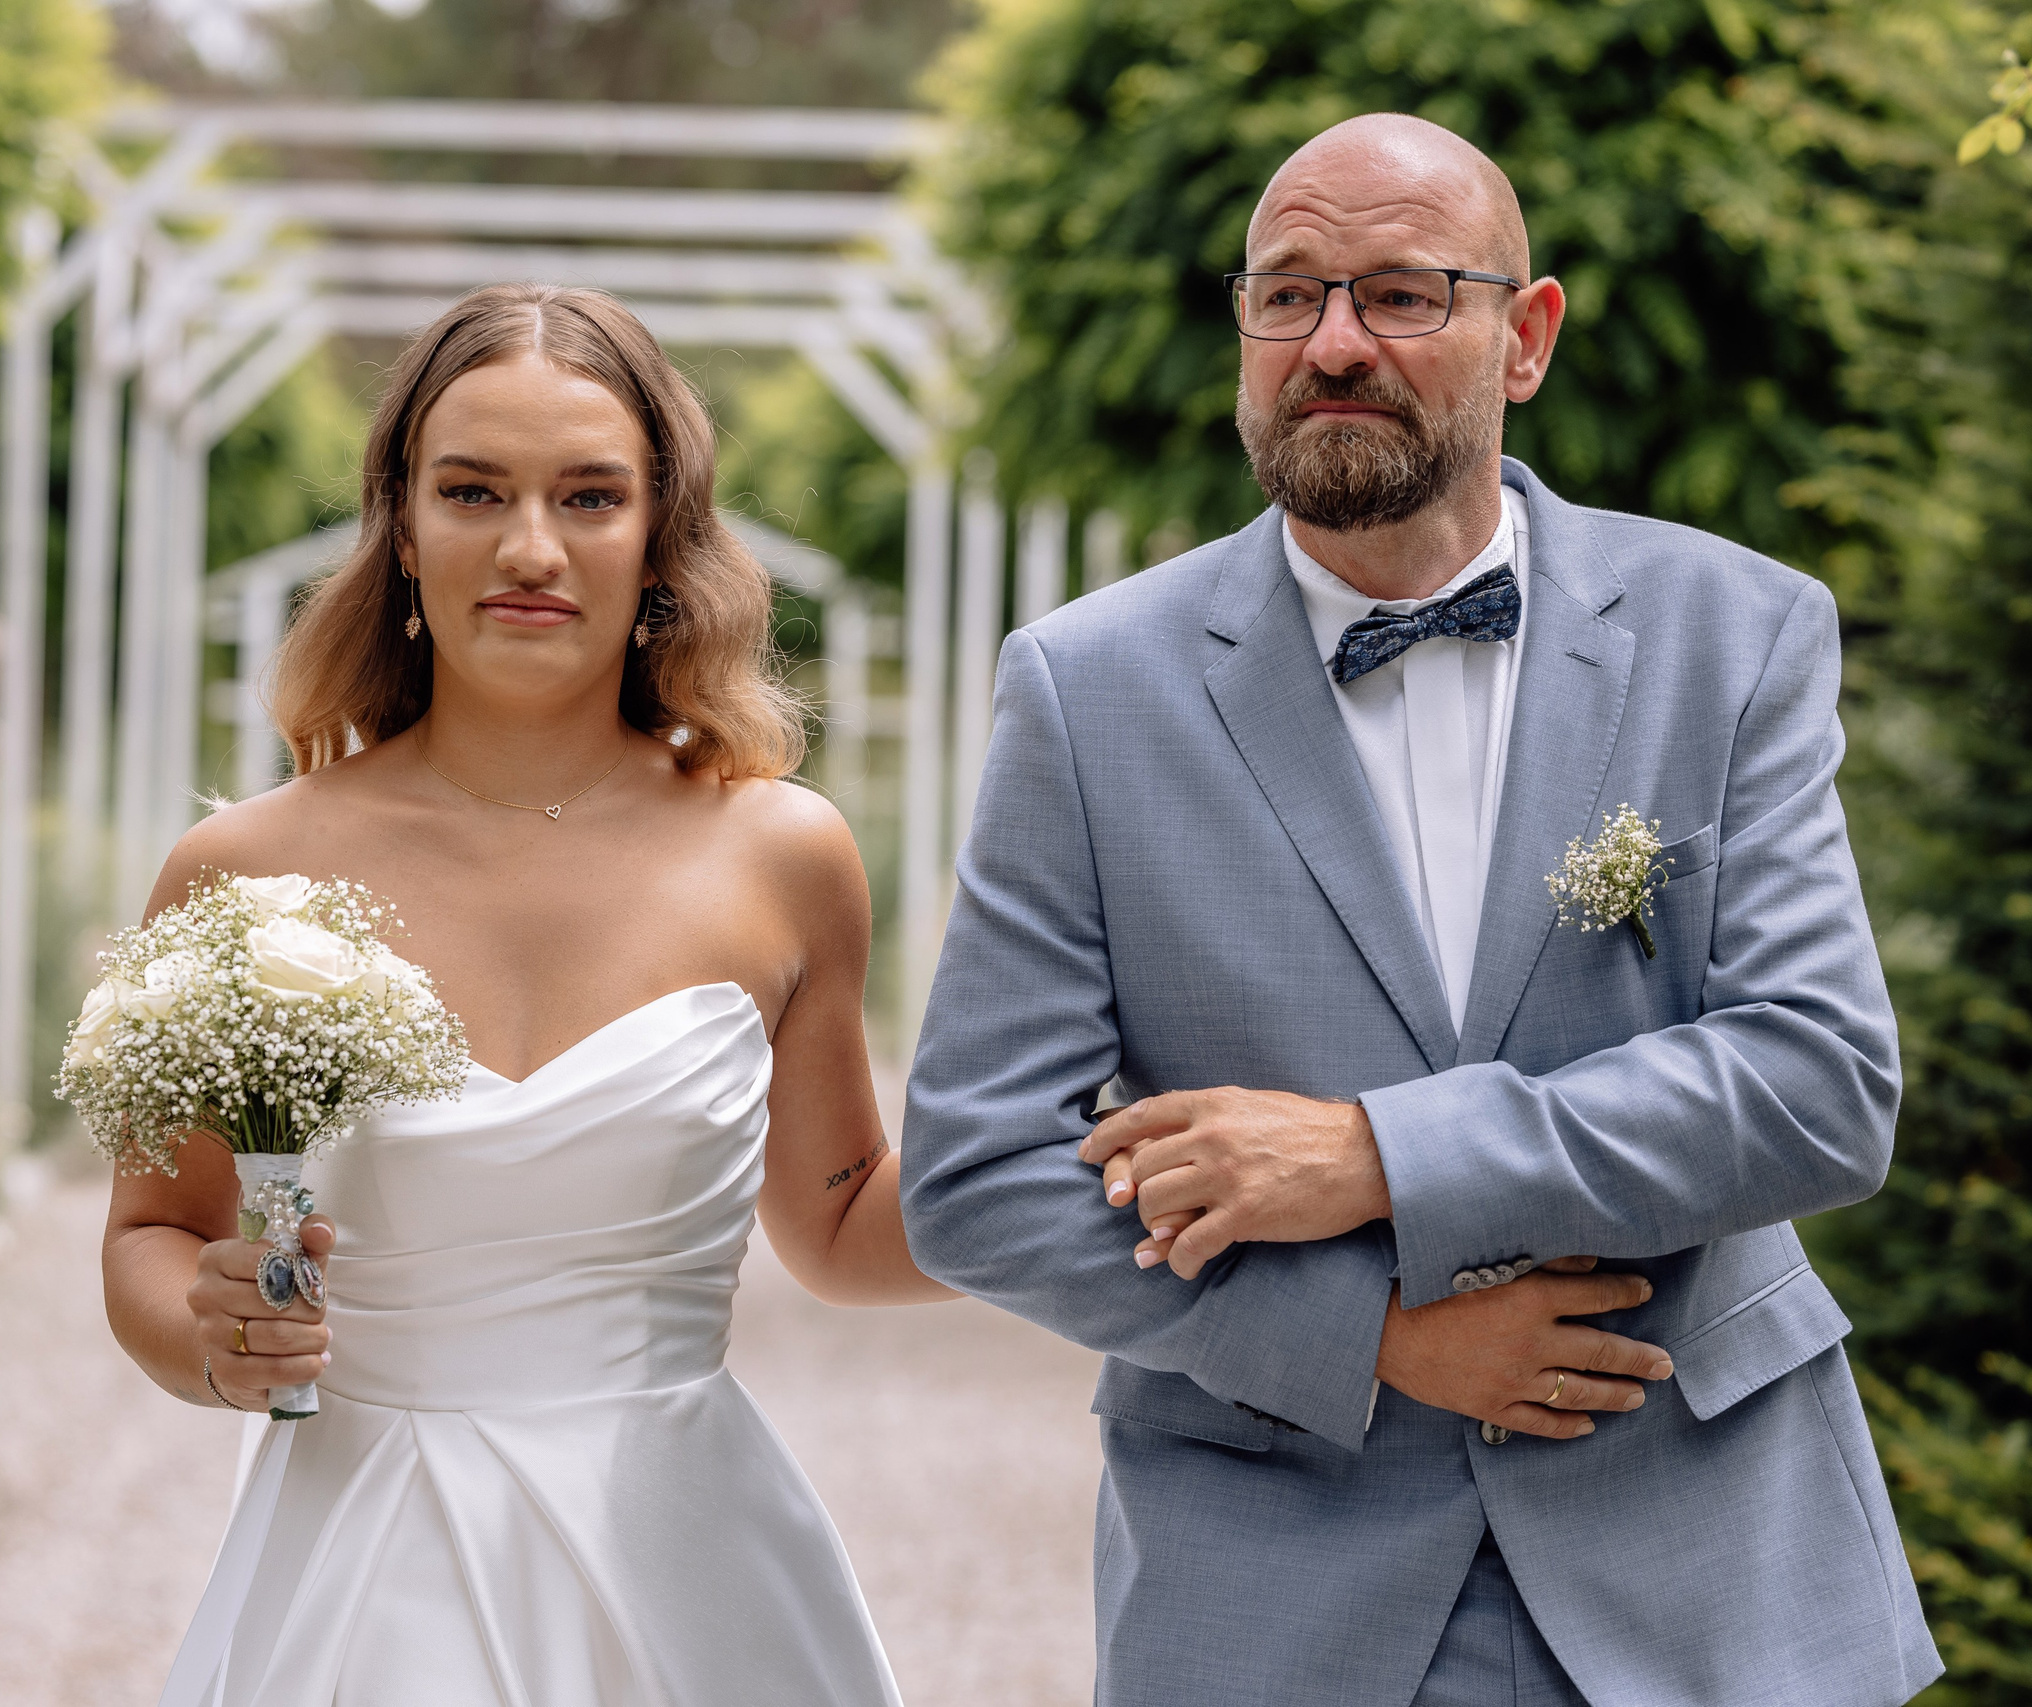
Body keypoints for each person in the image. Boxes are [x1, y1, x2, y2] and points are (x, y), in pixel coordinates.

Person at [901, 113, 1942, 1707]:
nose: (1331, 344)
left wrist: (1376, 1157)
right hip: (1279, 1590)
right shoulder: (1084, 690)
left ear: (1524, 338)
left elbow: (1820, 1085)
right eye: (1287, 294)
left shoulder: (1735, 633)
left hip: (1712, 1573)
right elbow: (978, 1178)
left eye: (1399, 294)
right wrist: (1367, 1334)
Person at [102, 282, 949, 1707]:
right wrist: (213, 1336)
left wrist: (1071, 1155)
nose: (532, 548)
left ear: (660, 538)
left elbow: (842, 1225)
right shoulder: (240, 871)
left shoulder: (784, 853)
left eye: (591, 496)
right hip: (362, 1575)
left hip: (688, 1569)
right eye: (475, 491)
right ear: (403, 525)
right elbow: (152, 1236)